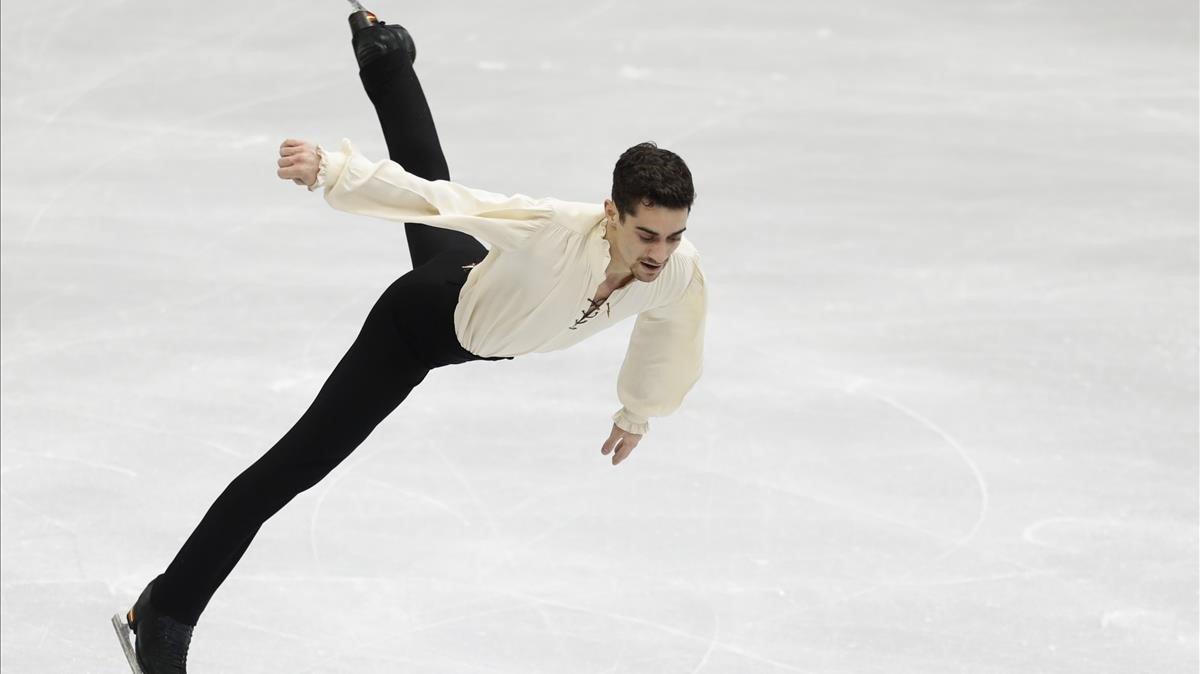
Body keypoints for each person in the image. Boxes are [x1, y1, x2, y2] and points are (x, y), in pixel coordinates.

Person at [112, 7, 706, 673]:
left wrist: (638, 410)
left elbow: (672, 326)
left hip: (474, 289)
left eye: (673, 234)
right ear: (611, 214)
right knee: (295, 467)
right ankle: (165, 610)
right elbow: (440, 201)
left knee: (433, 184)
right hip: (420, 324)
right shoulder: (555, 231)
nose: (659, 252)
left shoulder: (674, 272)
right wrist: (333, 171)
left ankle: (385, 54)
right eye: (646, 233)